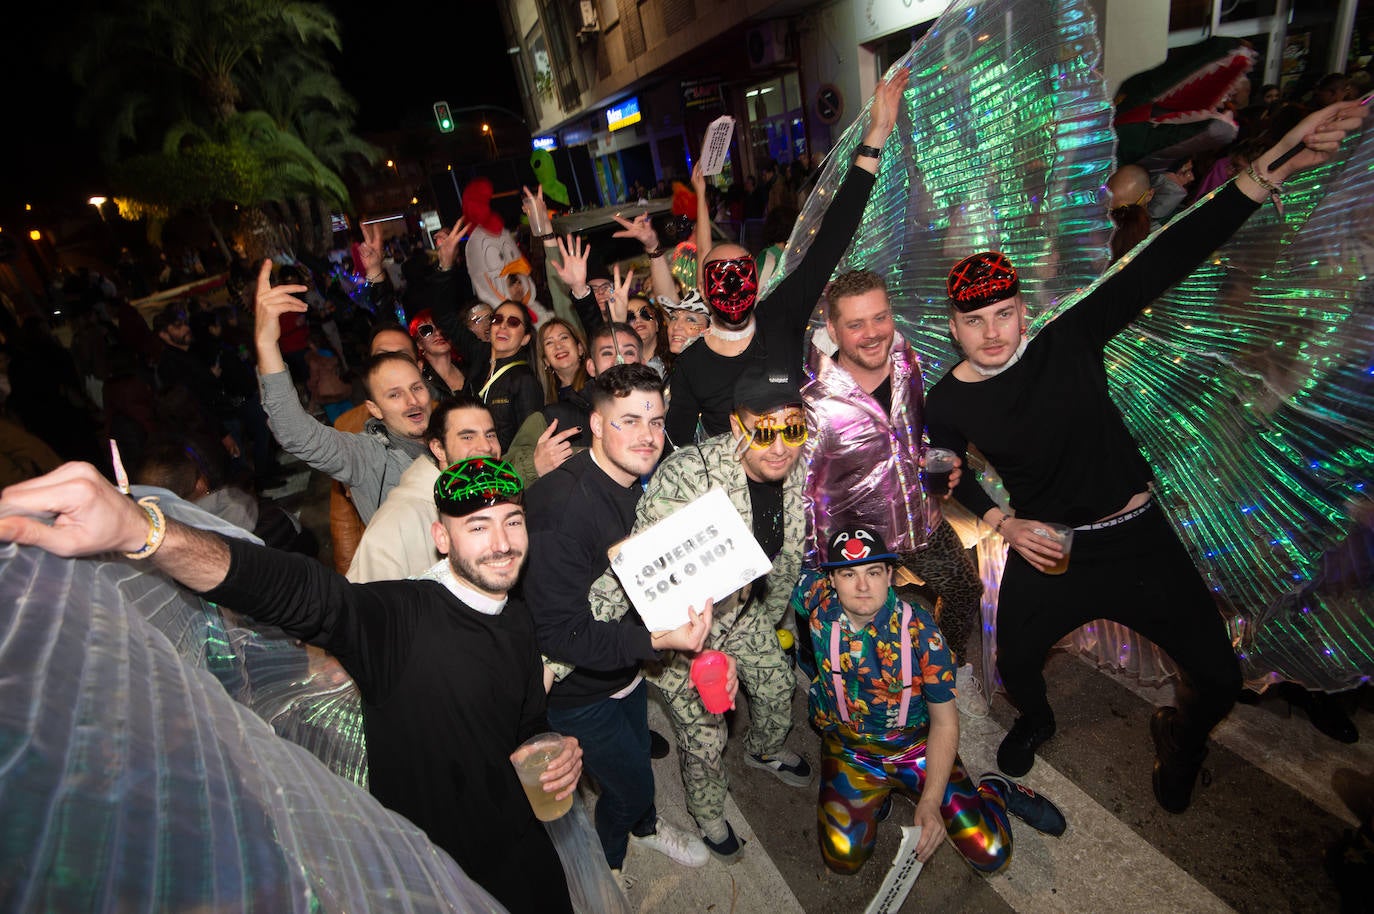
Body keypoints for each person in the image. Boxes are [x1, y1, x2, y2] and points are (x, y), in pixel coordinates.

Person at [923, 101, 1368, 812]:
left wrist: (1273, 161)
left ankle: (1181, 739)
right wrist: (998, 520)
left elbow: (1170, 254)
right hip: (1052, 550)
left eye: (1003, 314)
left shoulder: (1068, 338)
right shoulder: (945, 399)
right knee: (1013, 664)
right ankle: (1039, 722)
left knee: (1219, 677)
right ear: (954, 328)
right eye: (974, 322)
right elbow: (944, 469)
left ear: (1023, 312)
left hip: (1138, 538)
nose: (992, 334)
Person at [0, 458, 582, 913]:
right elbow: (302, 594)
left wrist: (555, 750)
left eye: (512, 521)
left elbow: (527, 722)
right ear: (441, 538)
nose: (502, 542)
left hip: (520, 844)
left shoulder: (516, 614)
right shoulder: (398, 617)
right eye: (477, 526)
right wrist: (143, 530)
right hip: (442, 867)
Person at [575, 364, 814, 860]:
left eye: (792, 428)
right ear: (735, 423)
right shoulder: (689, 475)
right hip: (679, 634)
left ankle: (765, 750)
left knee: (777, 687)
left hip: (744, 609)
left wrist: (769, 622)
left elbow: (786, 556)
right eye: (763, 429)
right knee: (707, 735)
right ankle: (709, 815)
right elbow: (636, 567)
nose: (779, 446)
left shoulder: (796, 464)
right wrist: (562, 649)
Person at [523, 363, 713, 882]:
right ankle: (608, 862)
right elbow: (558, 634)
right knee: (628, 784)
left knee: (637, 760)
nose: (647, 436)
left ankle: (646, 826)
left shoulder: (645, 483)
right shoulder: (559, 511)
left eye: (655, 421)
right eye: (628, 421)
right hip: (578, 692)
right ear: (597, 425)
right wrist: (656, 639)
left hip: (626, 669)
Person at [793, 526, 1065, 875]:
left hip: (916, 749)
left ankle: (996, 790)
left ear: (890, 574)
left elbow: (946, 723)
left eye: (873, 572)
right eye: (849, 574)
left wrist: (932, 801)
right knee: (843, 858)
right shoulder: (818, 601)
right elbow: (762, 563)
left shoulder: (920, 632)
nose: (863, 586)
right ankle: (876, 799)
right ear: (830, 579)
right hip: (849, 751)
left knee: (991, 852)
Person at [665, 70, 910, 445]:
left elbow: (832, 238)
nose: (732, 285)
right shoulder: (691, 363)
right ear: (702, 286)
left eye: (742, 273)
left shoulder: (779, 315)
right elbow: (677, 449)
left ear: (756, 280)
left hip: (803, 485)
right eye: (720, 277)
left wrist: (875, 137)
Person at [802, 270, 986, 715]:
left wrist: (932, 459)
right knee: (865, 640)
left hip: (919, 518)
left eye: (880, 317)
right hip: (856, 545)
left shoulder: (907, 361)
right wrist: (814, 562)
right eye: (856, 324)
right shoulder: (813, 397)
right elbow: (804, 487)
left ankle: (945, 667)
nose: (872, 334)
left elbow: (915, 432)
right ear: (833, 330)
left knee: (965, 588)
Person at [254, 262, 431, 524]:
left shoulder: (448, 428)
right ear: (374, 407)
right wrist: (266, 344)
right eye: (394, 394)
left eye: (415, 388)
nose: (412, 400)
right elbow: (295, 433)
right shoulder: (367, 456)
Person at [347, 394, 502, 582]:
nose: (486, 446)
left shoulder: (493, 497)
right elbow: (364, 603)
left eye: (490, 435)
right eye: (468, 437)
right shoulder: (398, 521)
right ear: (438, 449)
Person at [506, 323, 643, 486]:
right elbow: (502, 475)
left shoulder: (660, 410)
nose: (619, 360)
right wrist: (534, 466)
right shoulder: (552, 416)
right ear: (592, 367)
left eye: (628, 352)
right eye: (607, 353)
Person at [481, 300, 544, 452]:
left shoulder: (524, 379)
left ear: (525, 339)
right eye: (497, 319)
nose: (503, 326)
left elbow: (531, 442)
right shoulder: (480, 371)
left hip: (509, 469)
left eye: (513, 322)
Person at [409, 308, 468, 399]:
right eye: (426, 330)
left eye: (441, 326)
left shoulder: (469, 364)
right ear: (419, 344)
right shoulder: (419, 378)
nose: (437, 333)